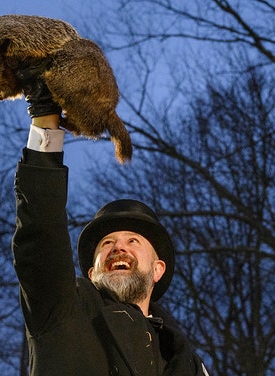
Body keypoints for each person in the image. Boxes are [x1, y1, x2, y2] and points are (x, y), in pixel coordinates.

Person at [11, 66, 209, 375]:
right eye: (107, 243)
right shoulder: (63, 311)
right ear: (91, 273)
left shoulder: (185, 360)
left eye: (133, 240)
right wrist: (46, 119)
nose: (119, 248)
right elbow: (41, 233)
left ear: (158, 269)